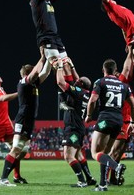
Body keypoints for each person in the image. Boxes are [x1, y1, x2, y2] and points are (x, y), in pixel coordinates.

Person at [25, 0, 82, 108]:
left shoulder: (47, 1)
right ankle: (63, 98)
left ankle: (72, 96)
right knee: (58, 65)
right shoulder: (35, 2)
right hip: (45, 38)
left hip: (55, 37)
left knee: (65, 64)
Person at [0, 46, 51, 187]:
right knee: (16, 148)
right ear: (28, 73)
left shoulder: (33, 84)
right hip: (23, 118)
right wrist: (42, 57)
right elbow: (36, 72)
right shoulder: (24, 82)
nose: (36, 73)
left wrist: (51, 59)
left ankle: (13, 175)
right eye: (33, 71)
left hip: (29, 119)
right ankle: (3, 178)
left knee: (23, 150)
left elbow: (45, 72)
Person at [85, 58, 134, 191]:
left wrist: (89, 115)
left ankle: (116, 166)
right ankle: (103, 184)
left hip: (105, 119)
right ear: (115, 71)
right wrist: (132, 122)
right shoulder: (124, 85)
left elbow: (92, 100)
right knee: (105, 154)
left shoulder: (100, 82)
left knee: (94, 153)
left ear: (103, 70)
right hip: (119, 121)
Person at [54, 57, 96, 188]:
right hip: (79, 127)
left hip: (73, 128)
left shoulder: (78, 92)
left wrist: (60, 66)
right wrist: (71, 66)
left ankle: (82, 181)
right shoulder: (86, 93)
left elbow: (60, 82)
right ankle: (89, 178)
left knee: (68, 156)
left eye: (77, 81)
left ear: (80, 85)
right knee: (78, 154)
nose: (75, 80)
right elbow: (79, 80)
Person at [107, 45, 134, 185]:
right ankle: (105, 178)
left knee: (119, 154)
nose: (119, 75)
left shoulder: (124, 86)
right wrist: (130, 52)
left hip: (127, 122)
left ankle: (112, 178)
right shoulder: (120, 84)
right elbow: (127, 67)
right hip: (120, 122)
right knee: (114, 153)